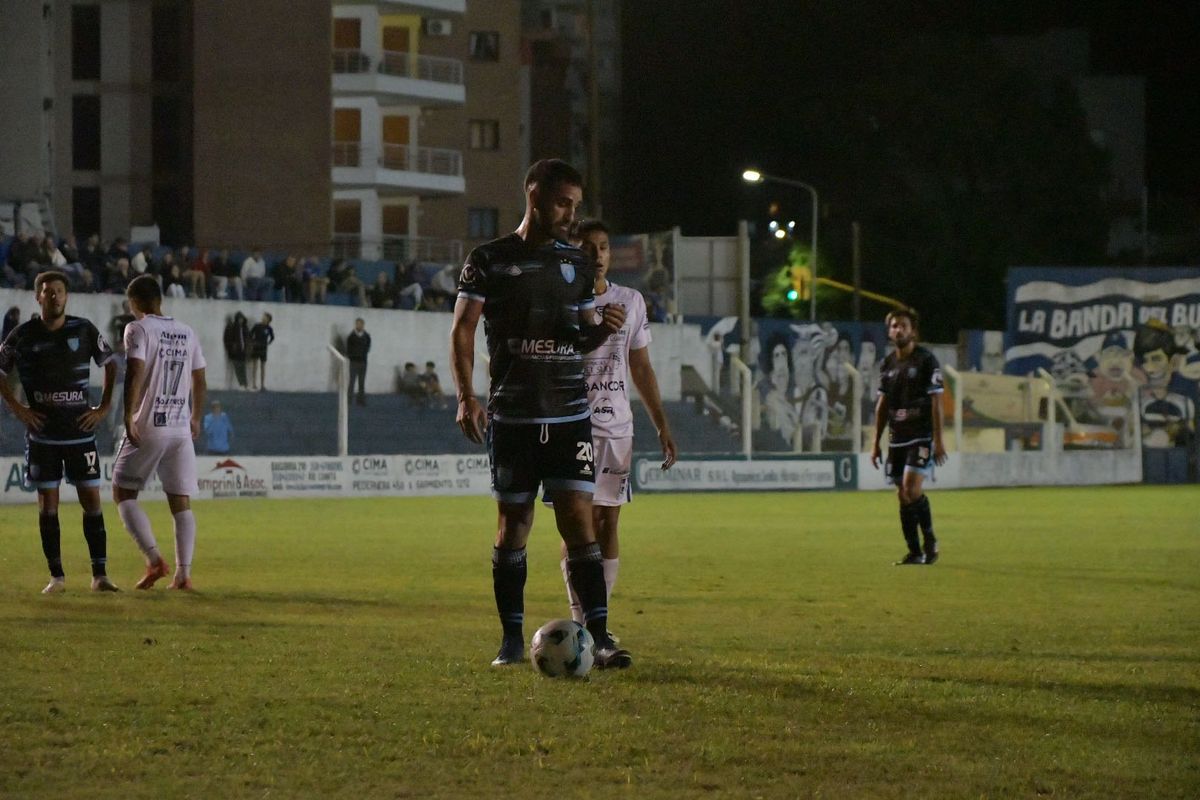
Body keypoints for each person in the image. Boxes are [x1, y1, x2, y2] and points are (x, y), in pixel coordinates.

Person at [449, 158, 631, 669]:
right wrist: (465, 396)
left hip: (570, 415)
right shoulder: (488, 259)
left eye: (576, 205)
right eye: (562, 203)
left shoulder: (576, 264)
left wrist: (603, 329)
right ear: (534, 196)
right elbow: (463, 329)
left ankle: (599, 637)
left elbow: (577, 339)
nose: (571, 214)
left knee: (579, 522)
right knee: (514, 525)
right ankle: (511, 641)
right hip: (514, 416)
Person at [558, 220, 677, 628]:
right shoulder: (561, 300)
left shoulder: (631, 301)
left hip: (616, 430)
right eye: (587, 247)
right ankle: (580, 620)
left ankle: (598, 622)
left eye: (604, 247)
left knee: (607, 522)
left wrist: (661, 424)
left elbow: (640, 368)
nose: (597, 255)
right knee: (577, 525)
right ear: (573, 252)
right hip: (571, 426)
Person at [0, 271, 120, 593]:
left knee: (91, 502)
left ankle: (100, 576)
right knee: (47, 506)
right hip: (43, 436)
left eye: (59, 291)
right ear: (37, 297)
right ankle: (57, 577)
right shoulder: (22, 335)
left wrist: (104, 406)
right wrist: (18, 408)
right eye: (47, 291)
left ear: (67, 296)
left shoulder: (83, 329)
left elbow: (111, 363)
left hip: (80, 433)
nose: (53, 296)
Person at [113, 275, 206, 590]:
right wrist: (196, 416)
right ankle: (184, 574)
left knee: (123, 493)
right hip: (180, 428)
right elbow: (200, 377)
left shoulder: (137, 328)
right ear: (160, 299)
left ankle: (154, 560)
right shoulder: (187, 331)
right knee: (181, 501)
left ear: (134, 302)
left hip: (150, 424)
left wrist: (128, 415)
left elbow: (135, 371)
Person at [870, 308, 947, 565]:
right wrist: (875, 444)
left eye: (903, 325)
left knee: (911, 489)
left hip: (920, 435)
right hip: (897, 437)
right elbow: (882, 406)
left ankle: (930, 540)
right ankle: (914, 552)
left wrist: (939, 440)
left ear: (913, 331)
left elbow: (936, 402)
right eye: (894, 326)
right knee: (902, 494)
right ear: (889, 331)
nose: (898, 330)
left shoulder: (926, 360)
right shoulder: (887, 364)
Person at [345, 317, 371, 405]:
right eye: (358, 324)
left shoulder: (367, 336)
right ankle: (348, 400)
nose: (359, 325)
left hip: (363, 362)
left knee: (362, 382)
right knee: (351, 382)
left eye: (361, 324)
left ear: (363, 325)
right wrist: (352, 357)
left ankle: (360, 400)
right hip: (354, 362)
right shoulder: (351, 336)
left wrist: (363, 355)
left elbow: (368, 347)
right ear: (356, 325)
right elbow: (348, 349)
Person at [248, 312, 274, 390]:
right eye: (263, 317)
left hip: (263, 348)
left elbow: (272, 337)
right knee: (255, 366)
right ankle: (254, 384)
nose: (263, 318)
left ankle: (262, 385)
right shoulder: (257, 326)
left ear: (268, 320)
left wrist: (268, 343)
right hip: (256, 347)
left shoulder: (269, 328)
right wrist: (253, 342)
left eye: (265, 317)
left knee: (263, 367)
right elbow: (250, 334)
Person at [223, 311, 249, 389]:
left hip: (243, 351)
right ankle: (242, 384)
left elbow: (247, 338)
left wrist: (247, 349)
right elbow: (228, 339)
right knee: (238, 368)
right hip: (236, 352)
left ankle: (244, 384)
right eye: (239, 319)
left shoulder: (244, 328)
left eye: (242, 319)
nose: (241, 320)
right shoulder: (233, 328)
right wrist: (231, 349)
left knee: (242, 368)